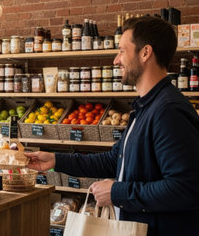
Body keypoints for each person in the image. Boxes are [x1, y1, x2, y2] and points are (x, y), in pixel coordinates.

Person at [25, 16, 199, 236]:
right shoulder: (145, 107)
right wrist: (55, 160)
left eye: (122, 51)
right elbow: (114, 159)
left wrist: (117, 193)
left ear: (145, 53)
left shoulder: (168, 111)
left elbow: (185, 188)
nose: (116, 60)